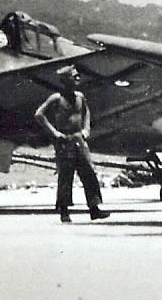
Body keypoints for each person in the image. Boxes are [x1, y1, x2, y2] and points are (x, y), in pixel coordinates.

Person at [34, 66, 108, 222]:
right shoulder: (56, 98)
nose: (78, 78)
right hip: (64, 141)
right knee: (66, 177)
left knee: (89, 173)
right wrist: (54, 133)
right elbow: (39, 114)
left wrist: (86, 129)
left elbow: (86, 113)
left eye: (77, 76)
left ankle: (94, 209)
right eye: (74, 76)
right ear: (65, 80)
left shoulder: (80, 97)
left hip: (79, 140)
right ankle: (64, 211)